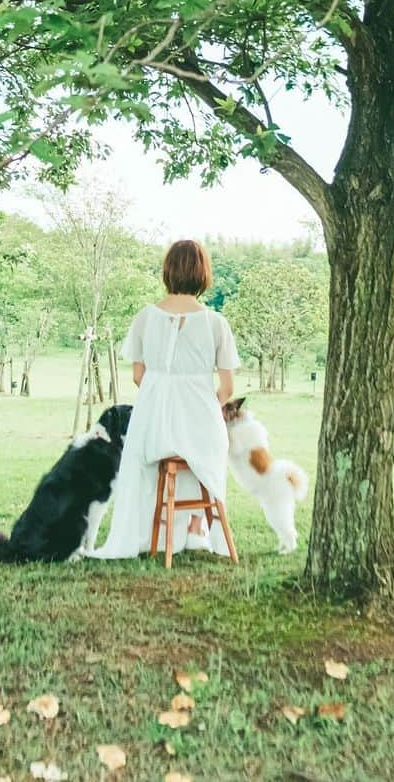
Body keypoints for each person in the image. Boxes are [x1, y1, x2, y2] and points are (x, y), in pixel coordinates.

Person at [91, 238, 240, 560]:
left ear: (168, 271)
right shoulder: (216, 323)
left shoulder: (146, 316)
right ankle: (193, 530)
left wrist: (165, 396)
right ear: (204, 274)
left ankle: (153, 533)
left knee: (146, 459)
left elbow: (138, 376)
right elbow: (227, 389)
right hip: (201, 429)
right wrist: (197, 409)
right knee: (208, 451)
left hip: (153, 428)